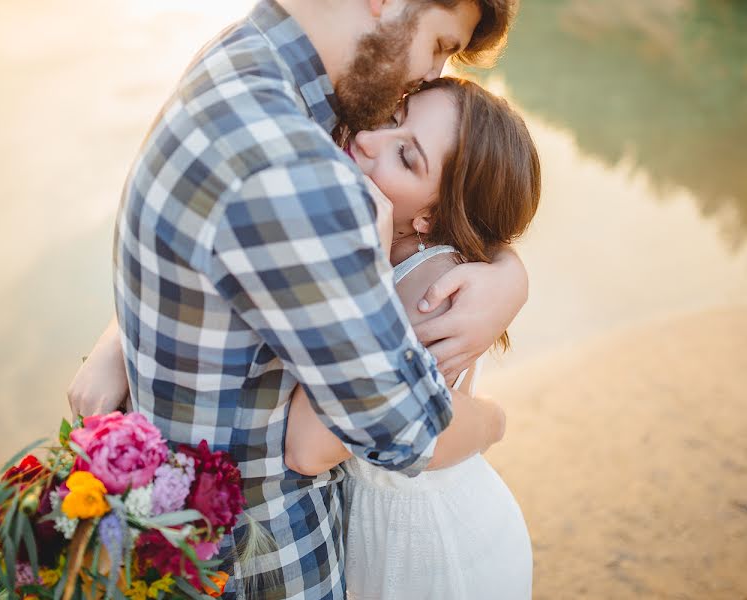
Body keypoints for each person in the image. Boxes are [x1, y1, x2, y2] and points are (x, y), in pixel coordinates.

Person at [69, 1, 526, 598]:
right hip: (259, 561)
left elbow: (213, 241)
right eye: (440, 45)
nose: (433, 73)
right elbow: (401, 428)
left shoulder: (242, 62)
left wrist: (507, 270)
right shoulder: (300, 168)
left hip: (193, 535)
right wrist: (494, 418)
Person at [284, 76, 540, 599]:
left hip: (432, 550)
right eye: (395, 116)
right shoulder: (389, 241)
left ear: (430, 217)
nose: (368, 139)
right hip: (391, 530)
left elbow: (311, 446)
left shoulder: (432, 293)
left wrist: (363, 274)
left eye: (407, 157)